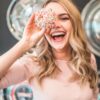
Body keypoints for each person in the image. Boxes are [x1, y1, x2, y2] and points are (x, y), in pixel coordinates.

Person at [0, 0, 98, 100]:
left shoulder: (88, 59)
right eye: (49, 21)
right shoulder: (33, 63)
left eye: (63, 18)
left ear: (74, 24)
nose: (55, 25)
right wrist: (25, 42)